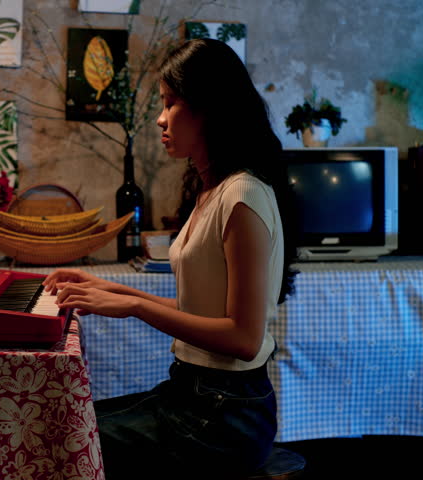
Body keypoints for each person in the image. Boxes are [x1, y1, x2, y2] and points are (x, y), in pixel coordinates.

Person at [42, 38, 298, 479]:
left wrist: (135, 306)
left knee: (65, 440)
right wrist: (107, 289)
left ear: (209, 109)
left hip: (227, 416)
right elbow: (205, 311)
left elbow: (243, 339)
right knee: (62, 421)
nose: (160, 118)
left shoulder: (243, 195)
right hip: (193, 395)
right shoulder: (211, 189)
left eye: (172, 103)